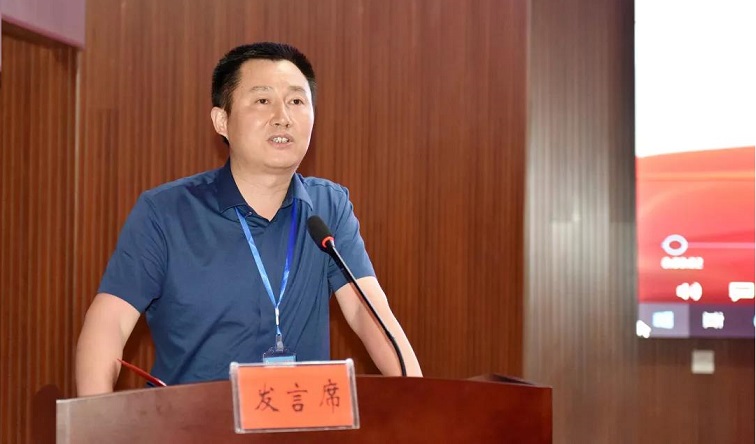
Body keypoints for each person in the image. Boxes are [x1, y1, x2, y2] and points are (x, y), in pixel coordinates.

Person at [75, 42, 422, 396]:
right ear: (221, 121)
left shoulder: (328, 207)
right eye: (263, 100)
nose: (283, 116)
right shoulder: (165, 212)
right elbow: (110, 322)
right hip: (191, 421)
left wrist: (422, 402)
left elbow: (369, 314)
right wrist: (95, 415)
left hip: (302, 419)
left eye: (296, 101)